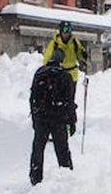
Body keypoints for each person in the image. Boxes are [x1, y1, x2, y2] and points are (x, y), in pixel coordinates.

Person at [29, 54, 77, 184]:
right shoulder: (65, 76)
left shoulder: (39, 73)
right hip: (58, 118)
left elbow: (33, 98)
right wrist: (72, 122)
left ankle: (35, 177)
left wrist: (35, 118)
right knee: (62, 149)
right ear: (62, 61)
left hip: (41, 117)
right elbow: (70, 102)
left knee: (38, 148)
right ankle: (66, 174)